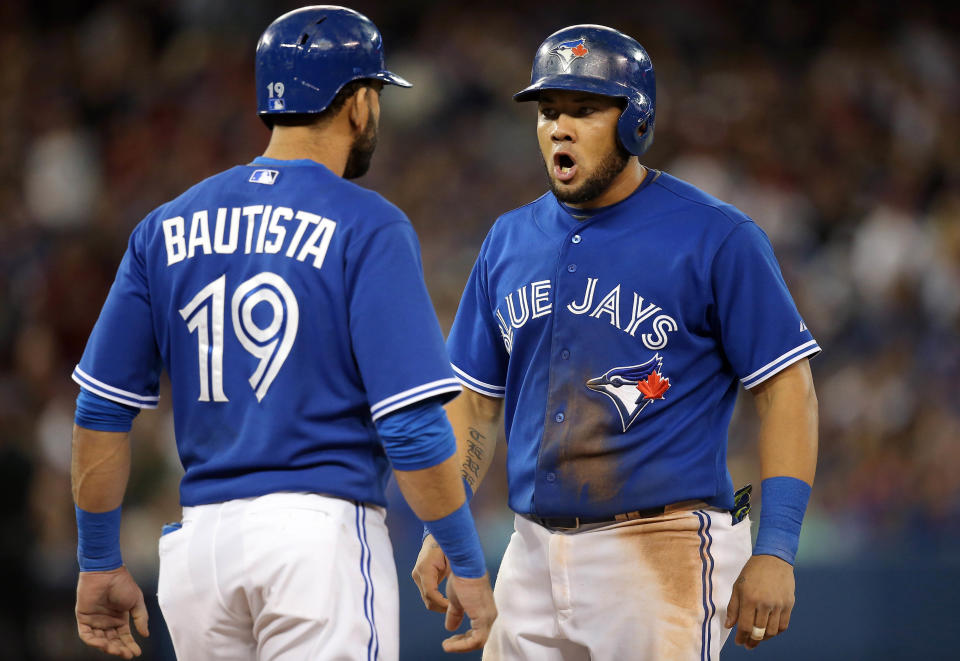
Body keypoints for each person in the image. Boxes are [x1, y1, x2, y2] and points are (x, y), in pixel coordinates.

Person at [70, 6, 495, 660]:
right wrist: (465, 556)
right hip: (316, 540)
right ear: (355, 103)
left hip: (199, 554)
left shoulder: (165, 226)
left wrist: (98, 559)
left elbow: (101, 406)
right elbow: (411, 427)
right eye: (374, 94)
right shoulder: (369, 224)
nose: (375, 111)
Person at [412, 24, 819, 660]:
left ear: (635, 122)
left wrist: (776, 548)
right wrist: (451, 521)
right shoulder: (507, 240)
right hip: (529, 551)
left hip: (662, 546)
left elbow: (787, 391)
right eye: (548, 112)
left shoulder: (716, 236)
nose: (558, 128)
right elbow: (477, 402)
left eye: (584, 110)